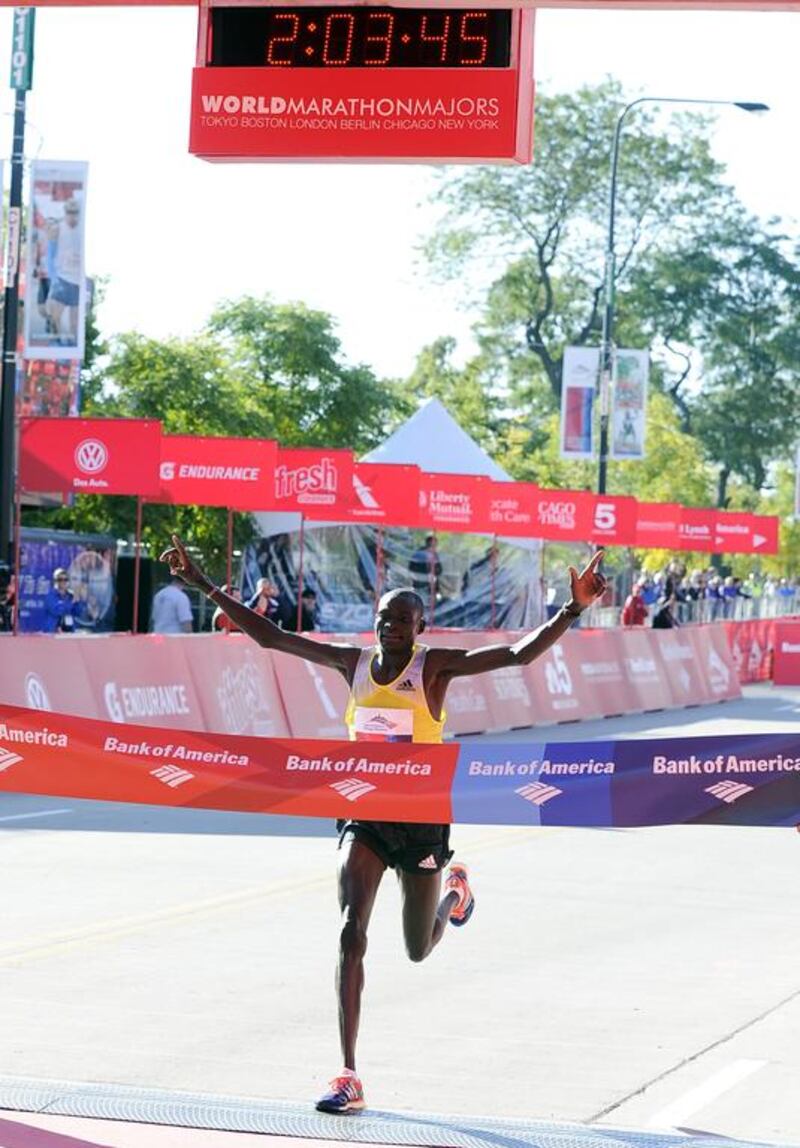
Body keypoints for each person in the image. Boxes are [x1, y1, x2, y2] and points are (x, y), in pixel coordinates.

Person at [160, 532, 607, 1114]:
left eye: (401, 619)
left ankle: (455, 893)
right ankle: (348, 1073)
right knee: (351, 930)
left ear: (420, 627)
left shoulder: (435, 669)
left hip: (421, 823)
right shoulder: (353, 664)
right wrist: (201, 583)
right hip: (365, 815)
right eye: (382, 618)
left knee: (418, 949)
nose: (388, 627)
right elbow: (273, 637)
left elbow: (518, 655)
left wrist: (571, 609)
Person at [47, 199, 83, 345]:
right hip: (62, 278)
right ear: (65, 213)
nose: (72, 216)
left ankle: (70, 350)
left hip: (77, 282)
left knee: (75, 324)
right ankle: (56, 345)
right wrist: (54, 280)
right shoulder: (57, 229)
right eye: (69, 213)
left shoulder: (83, 230)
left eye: (75, 213)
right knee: (55, 317)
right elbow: (50, 256)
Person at [42, 568, 82, 634]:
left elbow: (78, 612)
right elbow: (57, 611)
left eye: (65, 580)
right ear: (56, 582)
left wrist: (77, 601)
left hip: (69, 632)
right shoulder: (51, 596)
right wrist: (71, 603)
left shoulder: (70, 596)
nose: (63, 582)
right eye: (60, 580)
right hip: (53, 632)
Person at [409, 534, 442, 601]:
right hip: (420, 583)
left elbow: (439, 569)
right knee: (420, 601)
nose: (433, 547)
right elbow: (412, 567)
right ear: (427, 543)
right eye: (431, 544)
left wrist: (434, 571)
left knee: (430, 602)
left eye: (435, 545)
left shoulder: (434, 555)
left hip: (432, 586)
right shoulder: (419, 554)